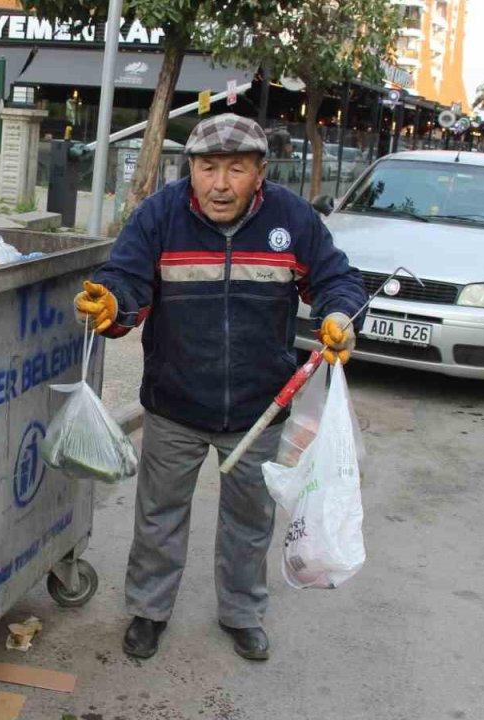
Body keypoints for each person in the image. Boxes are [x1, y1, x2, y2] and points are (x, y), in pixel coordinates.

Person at [74, 113, 366, 661]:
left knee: (250, 521)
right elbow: (126, 279)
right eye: (208, 168)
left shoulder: (291, 218)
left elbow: (336, 280)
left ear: (260, 172)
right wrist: (112, 305)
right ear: (191, 169)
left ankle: (242, 612)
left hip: (261, 405)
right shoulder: (160, 216)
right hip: (174, 403)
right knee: (159, 516)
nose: (220, 184)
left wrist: (340, 315)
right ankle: (148, 610)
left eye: (236, 169)